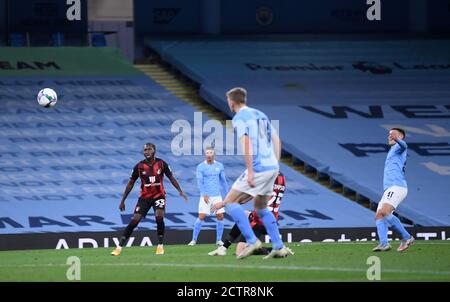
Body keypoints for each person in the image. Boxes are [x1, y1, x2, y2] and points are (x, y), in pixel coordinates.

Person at [211, 87, 291, 259]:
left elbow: (246, 144)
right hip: (272, 167)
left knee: (232, 201)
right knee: (261, 207)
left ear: (231, 102)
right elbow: (277, 140)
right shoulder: (260, 114)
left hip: (259, 166)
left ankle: (252, 240)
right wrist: (276, 164)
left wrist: (251, 171)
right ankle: (278, 246)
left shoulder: (239, 118)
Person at [111, 143, 188, 256]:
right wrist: (123, 200)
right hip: (145, 198)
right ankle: (119, 248)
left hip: (159, 195)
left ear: (154, 151)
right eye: (145, 150)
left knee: (159, 217)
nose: (146, 151)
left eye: (149, 149)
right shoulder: (139, 166)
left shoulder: (162, 164)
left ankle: (160, 246)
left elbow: (171, 178)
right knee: (134, 221)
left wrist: (180, 191)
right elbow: (130, 183)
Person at [209, 172, 294, 257]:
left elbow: (244, 199)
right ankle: (223, 248)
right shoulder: (281, 177)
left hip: (260, 219)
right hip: (271, 218)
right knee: (244, 214)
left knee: (240, 252)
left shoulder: (264, 176)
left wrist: (224, 203)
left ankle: (277, 250)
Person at [373, 128, 414, 252]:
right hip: (389, 189)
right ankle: (384, 243)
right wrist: (396, 137)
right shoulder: (392, 150)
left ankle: (407, 237)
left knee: (385, 212)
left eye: (393, 134)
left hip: (397, 186)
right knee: (379, 215)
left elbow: (404, 145)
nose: (390, 136)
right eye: (389, 134)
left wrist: (397, 138)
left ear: (400, 136)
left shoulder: (399, 147)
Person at [188, 146, 228, 246]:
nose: (209, 155)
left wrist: (228, 194)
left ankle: (219, 240)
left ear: (214, 154)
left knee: (220, 216)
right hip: (205, 196)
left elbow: (223, 181)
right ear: (205, 154)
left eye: (211, 153)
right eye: (207, 153)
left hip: (217, 196)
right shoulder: (201, 167)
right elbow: (200, 182)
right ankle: (193, 240)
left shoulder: (219, 165)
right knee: (201, 216)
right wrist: (204, 194)